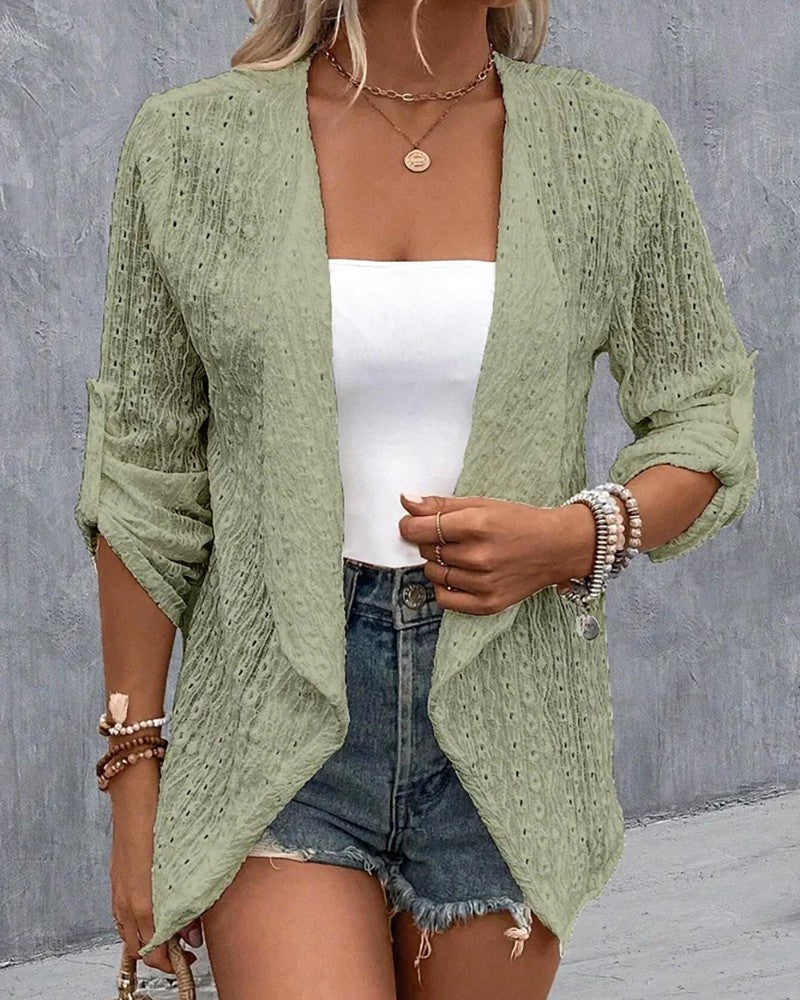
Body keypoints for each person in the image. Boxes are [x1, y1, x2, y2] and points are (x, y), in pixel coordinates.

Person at [74, 2, 759, 998]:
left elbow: (704, 414)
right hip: (275, 722)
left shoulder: (610, 146)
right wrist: (135, 779)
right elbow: (144, 473)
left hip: (507, 726)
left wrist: (571, 538)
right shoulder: (191, 144)